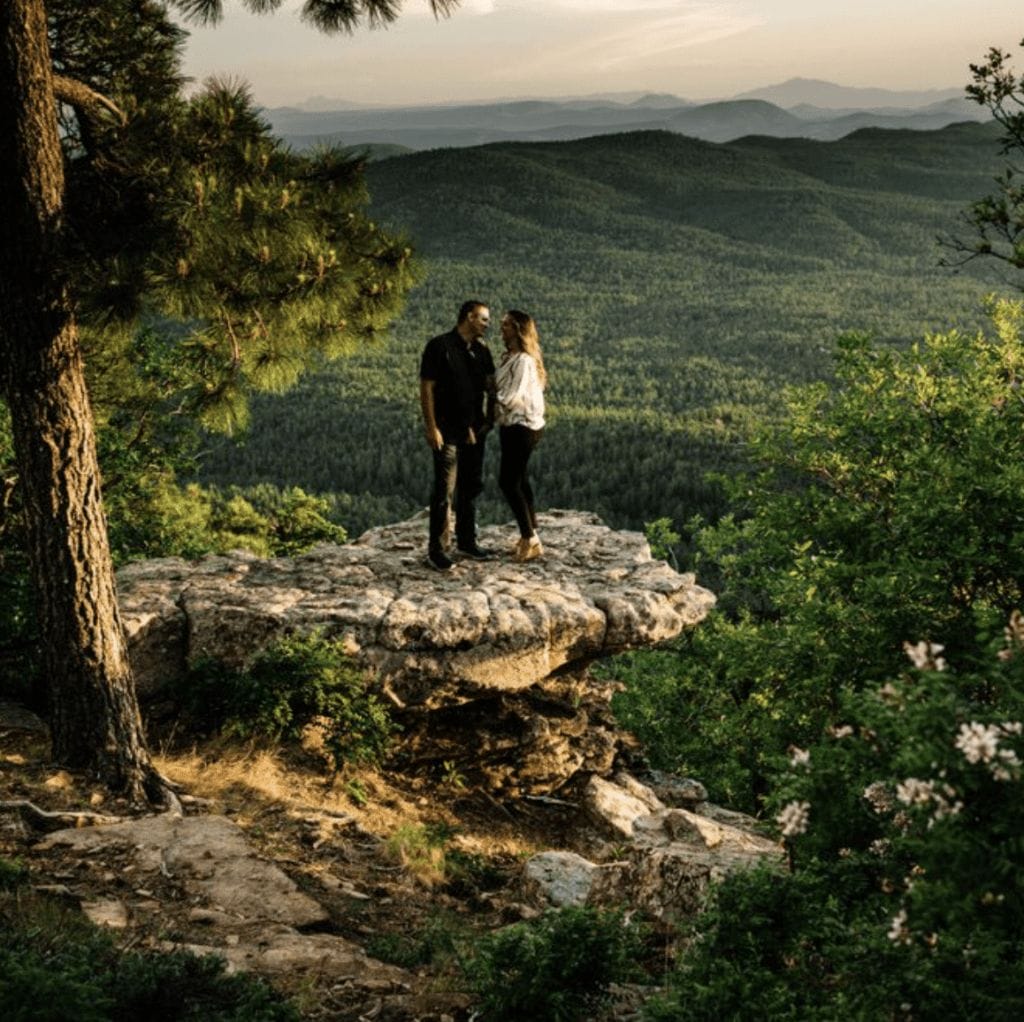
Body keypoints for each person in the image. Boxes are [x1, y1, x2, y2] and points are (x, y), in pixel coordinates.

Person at [419, 300, 496, 571]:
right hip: (446, 429)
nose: (488, 324)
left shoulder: (482, 350)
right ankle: (437, 549)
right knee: (444, 490)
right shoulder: (439, 346)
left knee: (471, 486)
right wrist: (431, 427)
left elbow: (490, 385)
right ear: (469, 317)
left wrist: (490, 417)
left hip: (475, 430)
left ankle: (466, 541)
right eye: (484, 319)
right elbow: (427, 388)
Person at [495, 309, 546, 562]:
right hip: (515, 425)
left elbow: (512, 396)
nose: (500, 329)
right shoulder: (510, 357)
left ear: (517, 330)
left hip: (521, 425)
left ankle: (530, 538)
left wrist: (489, 407)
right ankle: (531, 533)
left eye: (505, 326)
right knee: (521, 480)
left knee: (508, 481)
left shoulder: (523, 360)